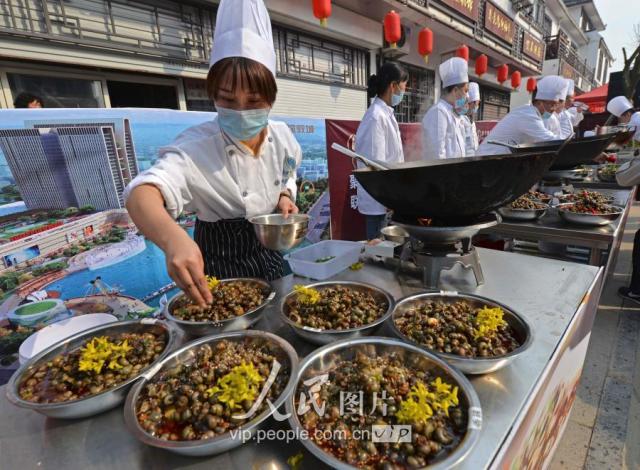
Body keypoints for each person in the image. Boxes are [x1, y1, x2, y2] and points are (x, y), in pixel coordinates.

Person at [124, 0, 302, 307]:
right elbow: (142, 194)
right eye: (228, 101)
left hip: (270, 253)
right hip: (221, 257)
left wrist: (285, 195)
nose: (241, 112)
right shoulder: (196, 146)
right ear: (213, 97)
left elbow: (288, 173)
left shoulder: (283, 136)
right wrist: (173, 239)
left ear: (271, 99)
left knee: (284, 310)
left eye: (254, 101)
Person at [355, 62, 408, 239]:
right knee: (378, 253)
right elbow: (374, 164)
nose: (404, 93)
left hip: (385, 197)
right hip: (378, 201)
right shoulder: (376, 117)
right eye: (403, 87)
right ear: (393, 86)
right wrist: (388, 197)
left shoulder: (385, 113)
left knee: (384, 250)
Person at [476, 75, 563, 155]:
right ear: (540, 102)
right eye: (552, 105)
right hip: (489, 157)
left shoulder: (530, 112)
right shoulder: (528, 115)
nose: (554, 109)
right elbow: (550, 139)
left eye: (556, 105)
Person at [422, 57, 469, 160]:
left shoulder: (451, 112)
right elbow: (437, 155)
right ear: (455, 90)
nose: (468, 96)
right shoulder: (439, 112)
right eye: (466, 90)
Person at [461, 82, 480, 156]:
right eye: (477, 103)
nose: (477, 106)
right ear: (471, 103)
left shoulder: (472, 121)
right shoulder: (461, 120)